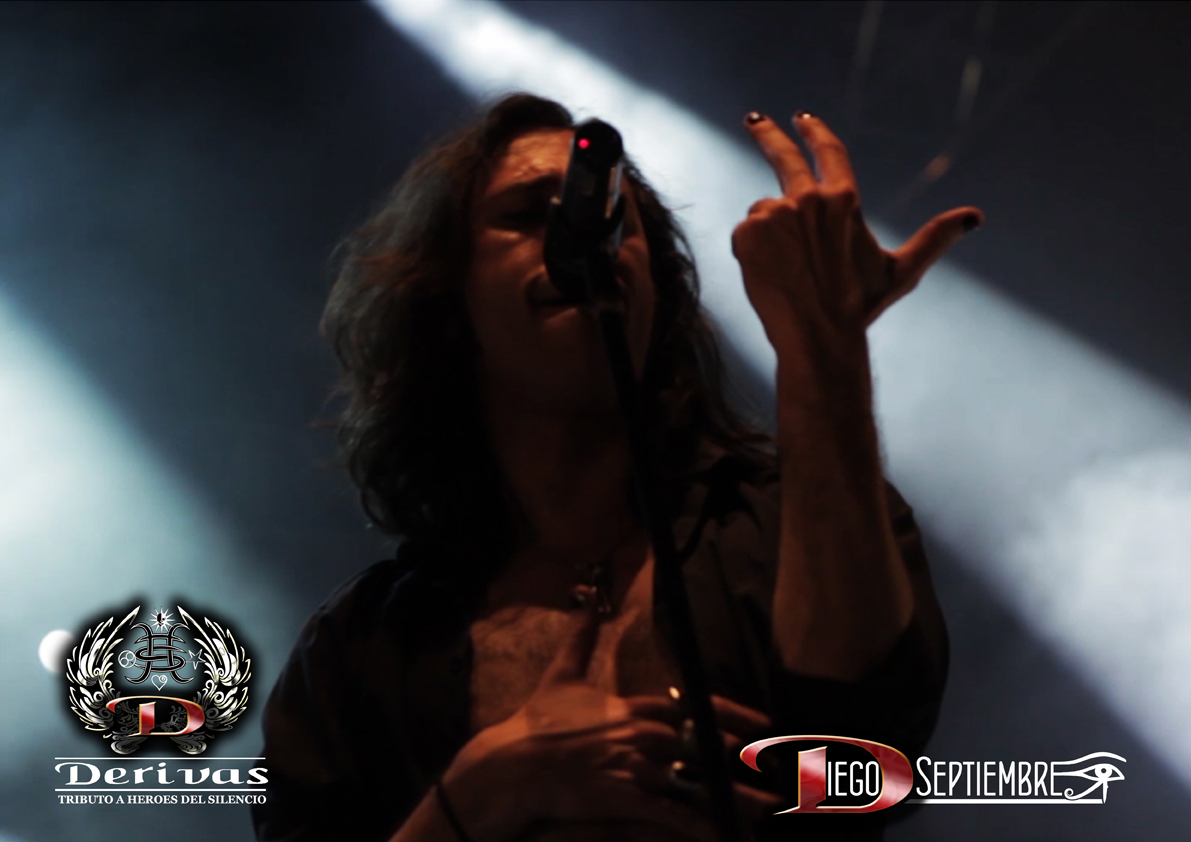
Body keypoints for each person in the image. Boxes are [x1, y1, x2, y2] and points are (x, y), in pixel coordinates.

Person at [252, 93, 980, 842]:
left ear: (657, 291)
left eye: (612, 218)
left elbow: (866, 742)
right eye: (528, 214)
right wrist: (479, 796)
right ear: (447, 300)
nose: (581, 234)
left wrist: (822, 341)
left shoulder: (787, 530)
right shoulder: (360, 651)